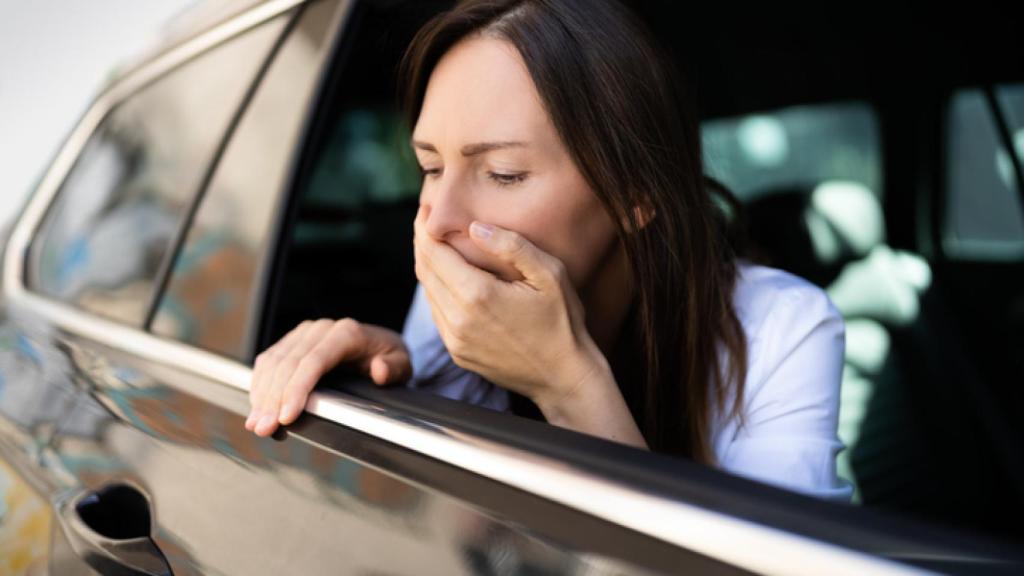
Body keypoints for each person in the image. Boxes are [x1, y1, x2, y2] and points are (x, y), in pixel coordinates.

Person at [245, 0, 854, 502]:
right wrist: (401, 379)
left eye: (504, 173)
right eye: (429, 167)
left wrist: (568, 383)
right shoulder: (458, 294)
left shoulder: (782, 330)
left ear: (633, 192)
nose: (438, 224)